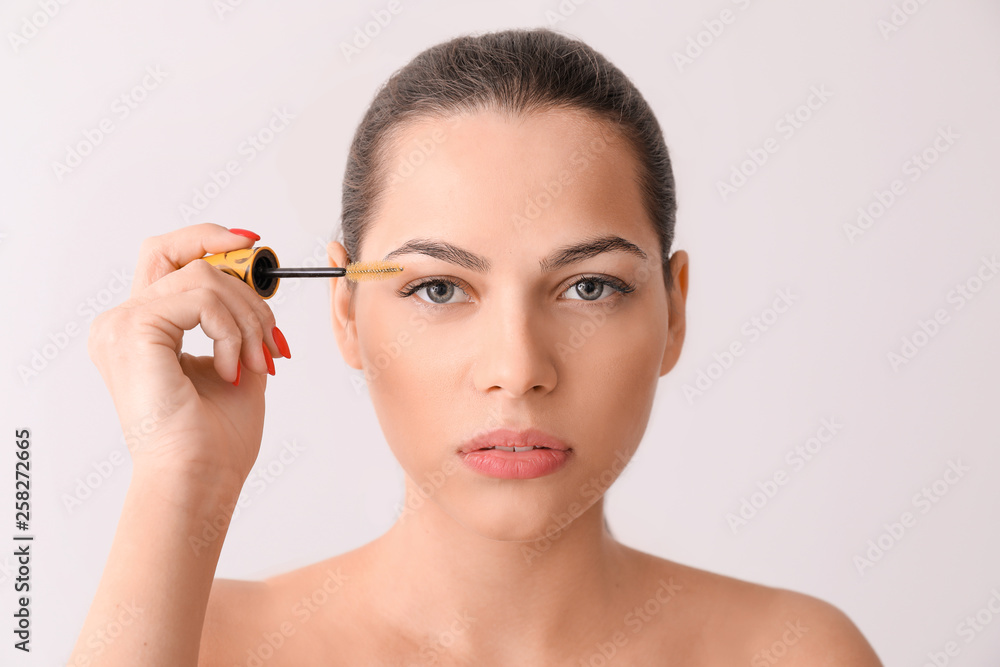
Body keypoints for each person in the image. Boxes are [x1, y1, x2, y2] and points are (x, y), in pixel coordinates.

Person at [71, 27, 883, 666]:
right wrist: (182, 482)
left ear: (673, 310)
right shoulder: (196, 645)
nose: (517, 369)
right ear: (346, 313)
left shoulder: (799, 654)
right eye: (438, 288)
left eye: (589, 286)